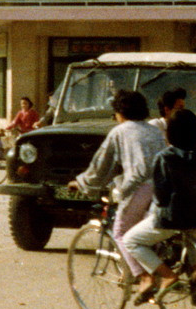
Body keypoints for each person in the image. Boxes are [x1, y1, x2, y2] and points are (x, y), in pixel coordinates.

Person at [68, 89, 166, 285]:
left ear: (120, 112)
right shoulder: (155, 130)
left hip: (139, 188)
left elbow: (101, 166)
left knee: (121, 233)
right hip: (163, 188)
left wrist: (80, 182)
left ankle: (143, 276)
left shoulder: (119, 131)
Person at [122, 109, 196, 304]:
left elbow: (161, 195)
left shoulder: (165, 157)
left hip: (172, 217)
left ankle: (167, 275)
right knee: (193, 238)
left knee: (131, 240)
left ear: (170, 132)